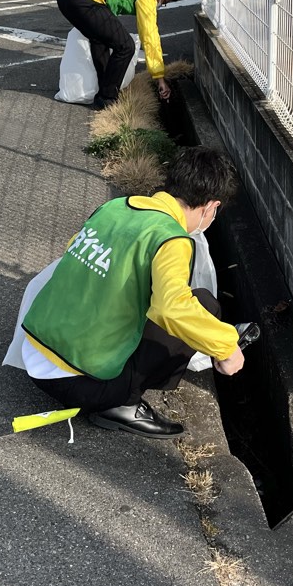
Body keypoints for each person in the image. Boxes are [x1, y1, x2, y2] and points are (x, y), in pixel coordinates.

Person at [16, 146, 246, 438]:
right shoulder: (171, 238)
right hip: (83, 384)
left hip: (35, 355)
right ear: (211, 206)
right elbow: (171, 309)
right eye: (216, 212)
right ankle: (124, 403)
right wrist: (226, 346)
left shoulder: (114, 207)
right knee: (203, 304)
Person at [56, 0, 179, 109]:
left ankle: (104, 90)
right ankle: (107, 98)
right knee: (126, 46)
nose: (160, 5)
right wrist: (159, 77)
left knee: (100, 39)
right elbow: (150, 36)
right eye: (164, 1)